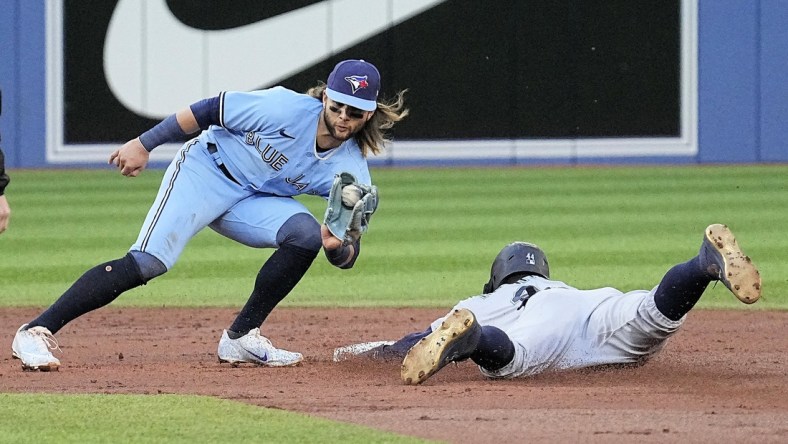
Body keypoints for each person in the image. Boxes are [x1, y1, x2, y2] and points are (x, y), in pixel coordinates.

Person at [11, 59, 409, 371]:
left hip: (254, 199)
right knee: (149, 262)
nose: (343, 117)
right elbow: (208, 110)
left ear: (370, 115)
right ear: (324, 97)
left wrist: (336, 247)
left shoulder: (352, 171)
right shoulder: (284, 108)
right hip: (206, 171)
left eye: (354, 113)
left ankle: (240, 337)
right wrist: (144, 143)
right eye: (337, 105)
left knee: (304, 234)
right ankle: (36, 330)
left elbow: (348, 252)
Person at [339, 223, 761, 385]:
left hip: (543, 328)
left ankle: (473, 341)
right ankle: (701, 265)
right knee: (654, 313)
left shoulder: (481, 300)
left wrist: (359, 352)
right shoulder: (559, 286)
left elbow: (414, 343)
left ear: (496, 275)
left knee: (511, 359)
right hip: (594, 305)